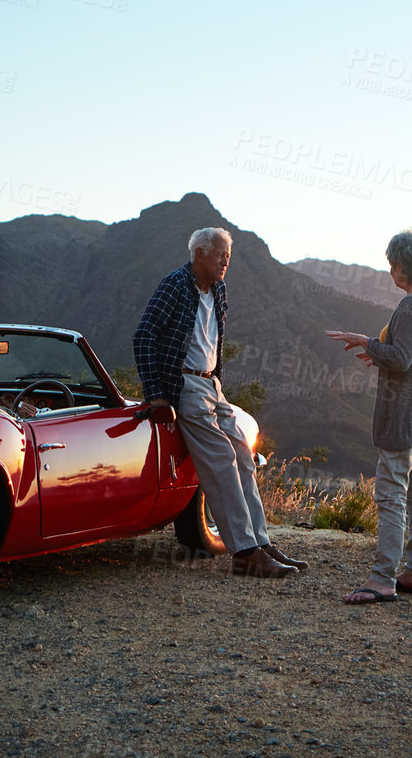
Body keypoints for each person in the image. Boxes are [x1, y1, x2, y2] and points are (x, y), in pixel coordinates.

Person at [133, 227, 305, 578]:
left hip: (212, 385)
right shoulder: (174, 286)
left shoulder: (219, 290)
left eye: (229, 254)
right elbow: (144, 334)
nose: (227, 260)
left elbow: (214, 339)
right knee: (222, 461)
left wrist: (218, 382)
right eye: (221, 254)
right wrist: (157, 394)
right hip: (185, 385)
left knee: (242, 451)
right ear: (199, 255)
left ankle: (261, 542)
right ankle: (244, 552)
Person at [326, 228, 412, 603]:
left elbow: (401, 358)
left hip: (406, 410)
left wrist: (367, 342)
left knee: (392, 494)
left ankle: (382, 579)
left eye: (392, 265)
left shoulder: (411, 305)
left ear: (400, 268)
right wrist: (378, 350)